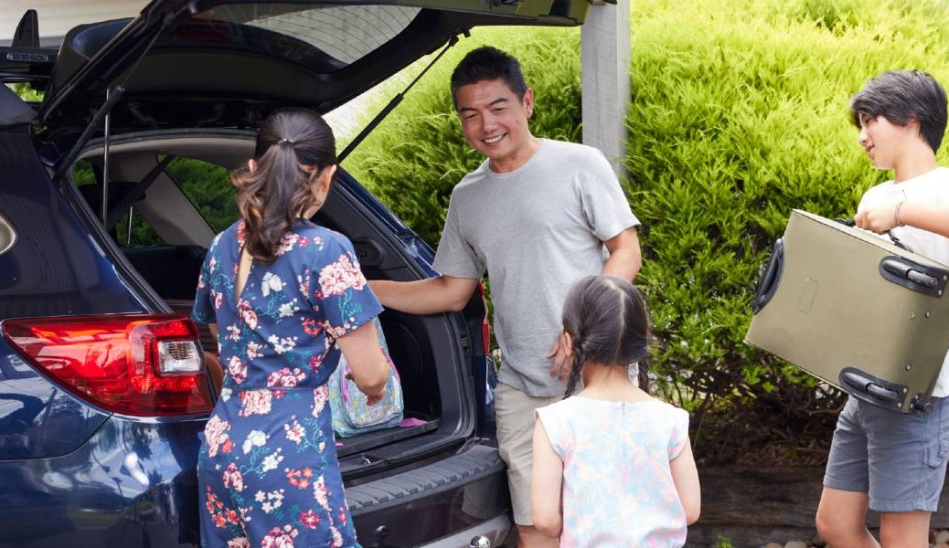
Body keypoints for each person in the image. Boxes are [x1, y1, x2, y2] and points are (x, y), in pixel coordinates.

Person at [367, 46, 642, 547]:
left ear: (527, 103)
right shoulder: (467, 196)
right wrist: (358, 291)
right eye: (470, 114)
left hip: (597, 374)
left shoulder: (579, 164)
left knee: (605, 519)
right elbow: (452, 291)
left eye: (498, 108)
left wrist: (584, 327)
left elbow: (626, 249)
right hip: (520, 385)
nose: (486, 125)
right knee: (534, 520)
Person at [815, 70, 949, 547]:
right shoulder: (875, 195)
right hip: (867, 387)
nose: (861, 137)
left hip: (922, 395)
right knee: (834, 524)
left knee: (902, 537)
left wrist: (900, 213)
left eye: (869, 121)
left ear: (911, 120)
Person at [192, 107, 392, 547]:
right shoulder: (326, 249)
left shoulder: (222, 244)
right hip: (288, 450)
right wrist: (376, 390)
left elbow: (214, 329)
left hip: (223, 444)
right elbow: (371, 375)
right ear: (327, 175)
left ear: (252, 169)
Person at [529, 275, 701, 545]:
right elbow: (689, 510)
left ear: (568, 341)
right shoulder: (671, 419)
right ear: (640, 341)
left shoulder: (556, 422)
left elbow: (545, 519)